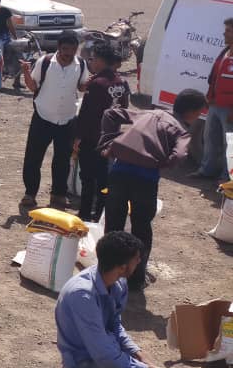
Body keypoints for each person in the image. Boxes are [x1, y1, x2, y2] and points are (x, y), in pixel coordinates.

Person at [55, 231, 179, 368]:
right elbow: (103, 354)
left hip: (103, 356)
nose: (139, 263)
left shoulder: (117, 283)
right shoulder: (83, 295)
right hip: (83, 364)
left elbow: (115, 327)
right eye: (136, 260)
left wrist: (139, 355)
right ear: (122, 267)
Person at [98, 89, 204, 291]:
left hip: (119, 172)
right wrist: (160, 163)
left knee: (113, 223)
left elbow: (110, 113)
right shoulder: (181, 130)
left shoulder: (149, 113)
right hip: (145, 180)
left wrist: (108, 143)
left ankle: (105, 273)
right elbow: (180, 155)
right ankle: (136, 279)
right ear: (191, 113)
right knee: (141, 228)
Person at [19, 30, 89, 212]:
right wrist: (26, 72)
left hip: (67, 120)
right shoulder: (45, 62)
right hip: (43, 116)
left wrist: (91, 83)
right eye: (65, 49)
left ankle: (58, 195)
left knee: (63, 160)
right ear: (59, 48)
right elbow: (33, 85)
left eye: (73, 49)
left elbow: (81, 87)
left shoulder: (80, 64)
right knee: (34, 157)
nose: (68, 53)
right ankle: (30, 194)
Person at [75, 42, 130, 221]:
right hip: (111, 138)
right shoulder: (120, 82)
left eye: (93, 59)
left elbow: (86, 114)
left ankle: (84, 213)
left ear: (99, 60)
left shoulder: (97, 83)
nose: (91, 62)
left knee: (88, 178)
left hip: (92, 139)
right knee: (104, 178)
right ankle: (99, 213)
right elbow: (124, 108)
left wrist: (78, 137)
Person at [191, 17, 233, 180]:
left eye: (229, 30)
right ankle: (206, 170)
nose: (224, 33)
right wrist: (209, 98)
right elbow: (214, 77)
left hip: (229, 109)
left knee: (229, 144)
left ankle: (226, 178)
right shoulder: (225, 51)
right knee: (210, 140)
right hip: (215, 105)